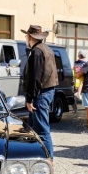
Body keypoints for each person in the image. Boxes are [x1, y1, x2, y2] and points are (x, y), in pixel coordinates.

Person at [21, 25, 58, 160]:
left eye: (26, 36)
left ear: (30, 37)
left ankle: (49, 160)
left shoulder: (37, 51)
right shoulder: (46, 49)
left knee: (42, 130)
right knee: (33, 128)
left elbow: (35, 78)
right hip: (46, 91)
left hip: (41, 93)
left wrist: (30, 99)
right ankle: (36, 156)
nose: (25, 38)